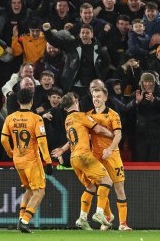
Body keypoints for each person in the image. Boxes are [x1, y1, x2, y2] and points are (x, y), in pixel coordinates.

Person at [51, 92, 114, 229]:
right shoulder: (81, 116)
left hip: (74, 158)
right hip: (84, 156)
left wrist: (62, 150)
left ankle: (82, 218)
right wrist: (112, 135)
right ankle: (99, 212)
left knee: (90, 187)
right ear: (75, 101)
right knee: (107, 181)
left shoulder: (68, 120)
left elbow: (74, 137)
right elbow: (98, 129)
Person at [1, 88, 53, 233]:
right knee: (40, 191)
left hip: (18, 160)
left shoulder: (10, 118)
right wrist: (48, 161)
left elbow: (3, 139)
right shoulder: (36, 119)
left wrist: (11, 153)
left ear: (18, 101)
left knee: (29, 190)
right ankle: (25, 221)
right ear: (32, 101)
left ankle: (20, 219)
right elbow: (42, 142)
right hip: (32, 161)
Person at [86, 87, 132, 231]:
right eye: (94, 96)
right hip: (96, 157)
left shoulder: (113, 115)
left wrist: (110, 149)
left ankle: (123, 224)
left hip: (112, 155)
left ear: (105, 98)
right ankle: (107, 219)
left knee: (119, 187)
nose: (96, 99)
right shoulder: (88, 116)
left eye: (98, 96)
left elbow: (118, 135)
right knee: (101, 187)